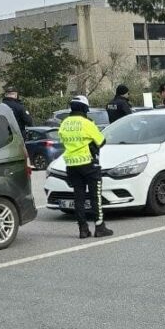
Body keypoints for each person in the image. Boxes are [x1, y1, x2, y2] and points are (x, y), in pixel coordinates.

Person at [59, 95, 113, 239]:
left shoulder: (64, 123)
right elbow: (101, 141)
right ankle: (100, 227)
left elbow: (62, 141)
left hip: (71, 164)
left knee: (79, 197)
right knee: (95, 196)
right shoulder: (86, 123)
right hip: (89, 164)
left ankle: (83, 229)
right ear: (84, 108)